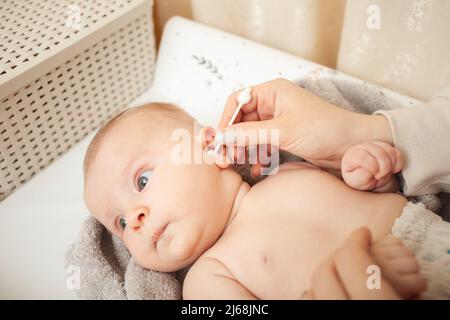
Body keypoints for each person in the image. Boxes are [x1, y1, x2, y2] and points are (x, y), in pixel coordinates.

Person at [82, 100, 449, 300]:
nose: (136, 218)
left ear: (210, 146)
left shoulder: (288, 170)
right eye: (121, 223)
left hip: (432, 240)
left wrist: (370, 174)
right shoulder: (208, 278)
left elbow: (377, 196)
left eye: (142, 180)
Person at [217, 78, 450, 299]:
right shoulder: (209, 273)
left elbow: (382, 195)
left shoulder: (284, 171)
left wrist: (370, 175)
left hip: (428, 236)